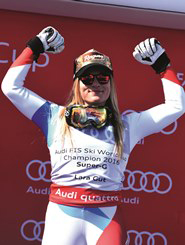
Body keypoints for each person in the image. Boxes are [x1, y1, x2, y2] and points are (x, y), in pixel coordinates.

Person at [1, 26, 185, 245]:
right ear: (77, 83)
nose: (95, 83)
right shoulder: (54, 116)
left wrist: (162, 64)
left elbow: (176, 106)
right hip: (62, 217)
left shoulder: (127, 125)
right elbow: (10, 87)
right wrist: (35, 46)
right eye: (87, 78)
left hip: (105, 218)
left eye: (102, 78)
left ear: (111, 83)